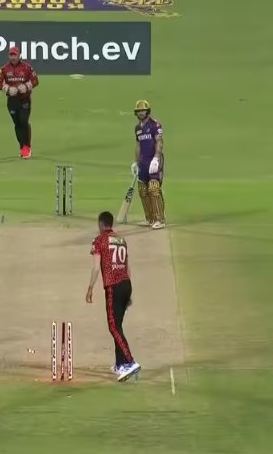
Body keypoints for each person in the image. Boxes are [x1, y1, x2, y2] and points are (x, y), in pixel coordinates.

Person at [85, 211, 141, 382]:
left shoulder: (99, 240)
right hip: (126, 284)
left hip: (113, 286)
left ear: (101, 225)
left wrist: (90, 288)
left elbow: (96, 268)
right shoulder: (121, 240)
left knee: (113, 327)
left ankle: (130, 362)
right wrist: (129, 293)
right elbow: (127, 266)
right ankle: (120, 364)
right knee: (118, 325)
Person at [0, 46, 39, 159]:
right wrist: (7, 89)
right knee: (17, 124)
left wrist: (26, 86)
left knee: (23, 121)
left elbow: (35, 80)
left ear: (19, 56)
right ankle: (22, 147)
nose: (13, 57)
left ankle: (27, 147)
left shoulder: (27, 67)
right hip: (12, 101)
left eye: (15, 55)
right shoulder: (4, 69)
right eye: (11, 55)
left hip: (24, 99)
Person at [130, 100, 166, 229]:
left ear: (148, 111)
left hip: (154, 161)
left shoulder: (155, 125)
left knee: (153, 188)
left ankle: (160, 219)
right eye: (138, 111)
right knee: (143, 190)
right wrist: (136, 162)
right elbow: (138, 146)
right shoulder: (137, 128)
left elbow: (159, 142)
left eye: (143, 111)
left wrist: (156, 158)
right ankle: (149, 218)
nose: (141, 113)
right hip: (143, 162)